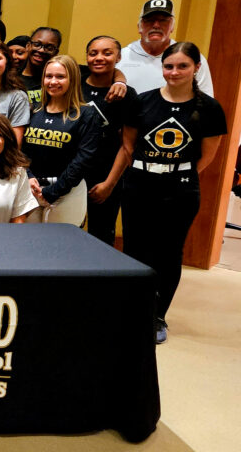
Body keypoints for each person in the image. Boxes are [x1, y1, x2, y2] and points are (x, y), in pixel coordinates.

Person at [121, 42, 226, 343]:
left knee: (168, 254)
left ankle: (157, 316)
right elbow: (129, 144)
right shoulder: (142, 102)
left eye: (183, 66)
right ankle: (132, 311)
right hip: (139, 185)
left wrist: (174, 171)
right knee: (135, 250)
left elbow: (207, 156)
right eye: (169, 66)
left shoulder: (209, 109)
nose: (174, 72)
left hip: (180, 190)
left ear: (196, 68)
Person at [22, 55, 100, 221]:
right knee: (27, 237)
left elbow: (84, 159)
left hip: (67, 192)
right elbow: (20, 150)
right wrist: (28, 176)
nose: (53, 81)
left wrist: (54, 191)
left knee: (61, 238)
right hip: (31, 189)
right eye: (48, 76)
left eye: (60, 77)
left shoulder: (86, 114)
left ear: (72, 79)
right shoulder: (33, 110)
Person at [81, 35, 139, 245]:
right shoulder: (74, 82)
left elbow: (127, 145)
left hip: (105, 176)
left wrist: (109, 184)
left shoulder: (127, 95)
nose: (99, 58)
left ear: (118, 57)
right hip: (72, 174)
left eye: (107, 53)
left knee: (101, 236)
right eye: (93, 53)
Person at [117, 0, 213, 96]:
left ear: (172, 26)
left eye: (163, 20)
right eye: (149, 20)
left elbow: (205, 98)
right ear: (139, 27)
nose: (156, 25)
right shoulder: (120, 57)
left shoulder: (191, 57)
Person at [20, 27, 62, 109]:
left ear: (56, 53)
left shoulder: (56, 83)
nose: (41, 50)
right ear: (28, 46)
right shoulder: (12, 78)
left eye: (49, 48)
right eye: (37, 44)